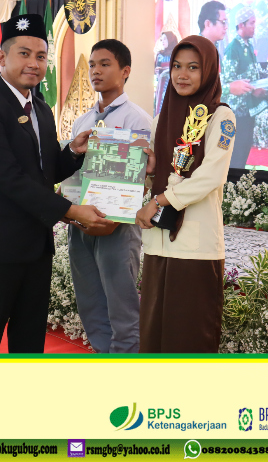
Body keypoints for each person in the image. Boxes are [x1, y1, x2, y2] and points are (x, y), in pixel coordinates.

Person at [0, 13, 110, 353]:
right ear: (2, 57)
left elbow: (44, 172)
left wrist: (73, 152)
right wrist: (71, 210)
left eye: (41, 56)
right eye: (24, 54)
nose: (34, 63)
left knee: (29, 340)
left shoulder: (40, 108)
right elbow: (8, 178)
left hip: (35, 247)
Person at [135, 35, 236, 353]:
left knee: (189, 339)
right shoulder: (161, 119)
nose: (182, 74)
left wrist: (158, 201)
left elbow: (210, 176)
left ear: (209, 71)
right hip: (158, 242)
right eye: (176, 66)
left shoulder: (221, 117)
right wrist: (150, 171)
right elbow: (160, 175)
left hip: (195, 247)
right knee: (153, 336)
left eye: (193, 67)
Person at [68, 39, 152, 353]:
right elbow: (72, 175)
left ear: (125, 71)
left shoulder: (137, 120)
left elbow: (143, 179)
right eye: (92, 64)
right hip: (81, 225)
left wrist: (111, 222)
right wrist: (70, 210)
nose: (96, 71)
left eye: (105, 64)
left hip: (116, 227)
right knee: (90, 305)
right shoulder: (82, 121)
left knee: (122, 309)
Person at [221, 8, 266, 170]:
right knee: (235, 155)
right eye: (252, 23)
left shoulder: (249, 45)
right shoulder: (233, 48)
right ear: (241, 25)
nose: (255, 27)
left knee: (244, 151)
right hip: (235, 113)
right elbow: (228, 82)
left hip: (248, 110)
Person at [154, 31, 178, 116]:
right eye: (161, 40)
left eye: (165, 39)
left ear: (170, 39)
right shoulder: (160, 55)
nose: (163, 41)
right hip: (161, 86)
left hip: (174, 86)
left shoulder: (177, 54)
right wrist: (156, 70)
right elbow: (155, 68)